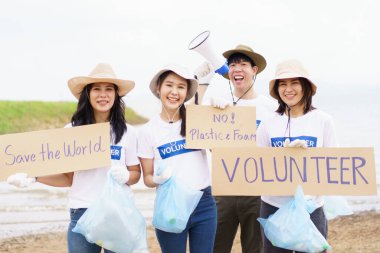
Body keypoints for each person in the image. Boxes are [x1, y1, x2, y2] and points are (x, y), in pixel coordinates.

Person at [7, 63, 142, 253]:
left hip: (118, 212)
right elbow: (67, 178)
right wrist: (34, 177)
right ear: (88, 94)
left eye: (109, 89)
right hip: (82, 212)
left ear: (116, 95)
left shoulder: (130, 132)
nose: (103, 94)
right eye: (97, 89)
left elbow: (136, 173)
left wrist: (127, 176)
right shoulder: (72, 132)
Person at [196, 44, 277, 253]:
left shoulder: (270, 108)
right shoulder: (222, 107)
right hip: (224, 190)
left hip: (257, 192)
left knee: (255, 248)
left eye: (243, 64)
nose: (237, 68)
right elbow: (195, 131)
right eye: (232, 65)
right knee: (215, 246)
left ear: (254, 70)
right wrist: (201, 85)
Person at [256, 59, 338, 253]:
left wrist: (308, 156)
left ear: (305, 86)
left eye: (294, 83)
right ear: (277, 89)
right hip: (273, 206)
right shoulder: (268, 124)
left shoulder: (323, 121)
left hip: (311, 207)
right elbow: (257, 166)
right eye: (282, 84)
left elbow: (334, 163)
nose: (288, 89)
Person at [137, 64, 217, 253]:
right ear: (159, 88)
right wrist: (156, 179)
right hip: (170, 205)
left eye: (181, 87)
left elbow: (221, 150)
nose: (174, 92)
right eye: (169, 85)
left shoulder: (196, 120)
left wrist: (220, 109)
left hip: (204, 203)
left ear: (187, 92)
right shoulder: (148, 131)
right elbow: (147, 178)